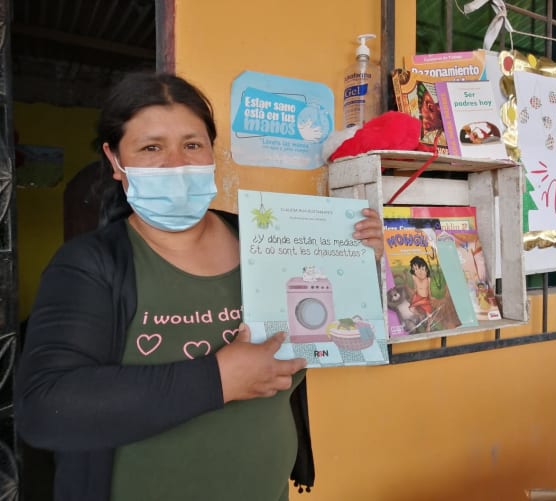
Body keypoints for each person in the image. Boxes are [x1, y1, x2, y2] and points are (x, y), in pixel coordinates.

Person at [14, 72, 385, 501]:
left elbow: (320, 338)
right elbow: (44, 409)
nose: (177, 164)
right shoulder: (90, 265)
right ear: (115, 160)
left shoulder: (270, 240)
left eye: (192, 145)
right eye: (152, 147)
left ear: (211, 152)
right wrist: (219, 379)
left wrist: (354, 263)